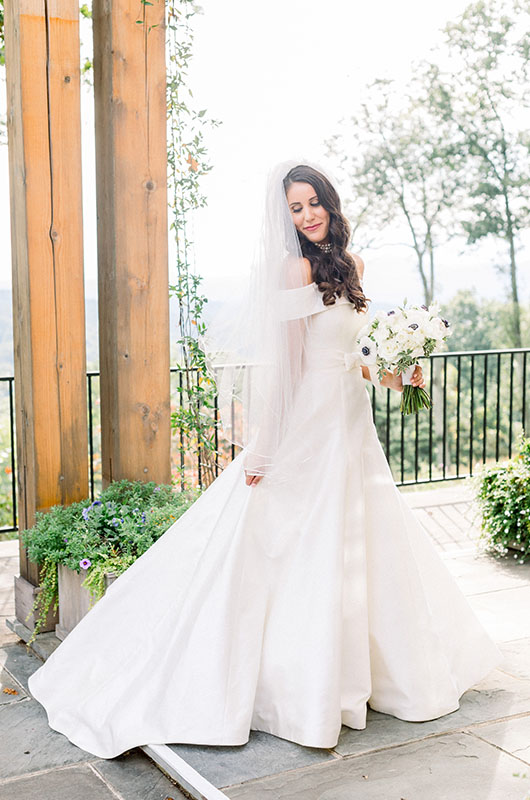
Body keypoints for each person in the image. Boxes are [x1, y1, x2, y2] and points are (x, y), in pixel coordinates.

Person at [28, 160, 503, 760]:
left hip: (351, 421)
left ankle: (369, 672)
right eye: (295, 209)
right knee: (290, 542)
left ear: (330, 202)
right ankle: (296, 687)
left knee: (360, 539)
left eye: (312, 203)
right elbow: (292, 367)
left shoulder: (352, 267)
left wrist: (398, 372)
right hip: (309, 424)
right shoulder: (292, 268)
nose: (306, 215)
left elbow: (353, 356)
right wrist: (267, 446)